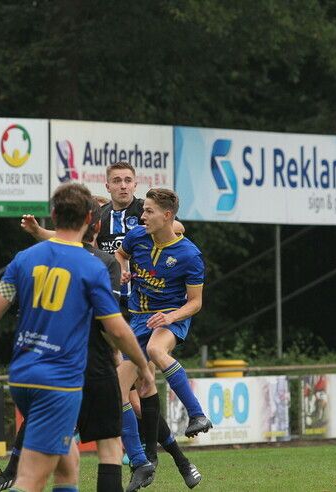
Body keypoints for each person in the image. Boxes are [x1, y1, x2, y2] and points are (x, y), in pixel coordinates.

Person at [0, 183, 155, 492]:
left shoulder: (24, 259)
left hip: (22, 378)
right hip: (58, 383)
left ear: (52, 214)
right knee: (32, 479)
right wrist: (142, 368)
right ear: (93, 219)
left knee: (67, 463)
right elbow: (115, 328)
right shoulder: (92, 267)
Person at [114, 188, 211, 489]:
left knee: (157, 348)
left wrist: (171, 317)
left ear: (167, 216)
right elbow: (120, 254)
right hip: (138, 320)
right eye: (143, 211)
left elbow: (195, 303)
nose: (142, 216)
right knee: (117, 389)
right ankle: (140, 462)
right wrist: (123, 270)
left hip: (169, 317)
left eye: (149, 211)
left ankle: (197, 414)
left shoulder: (189, 254)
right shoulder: (137, 238)